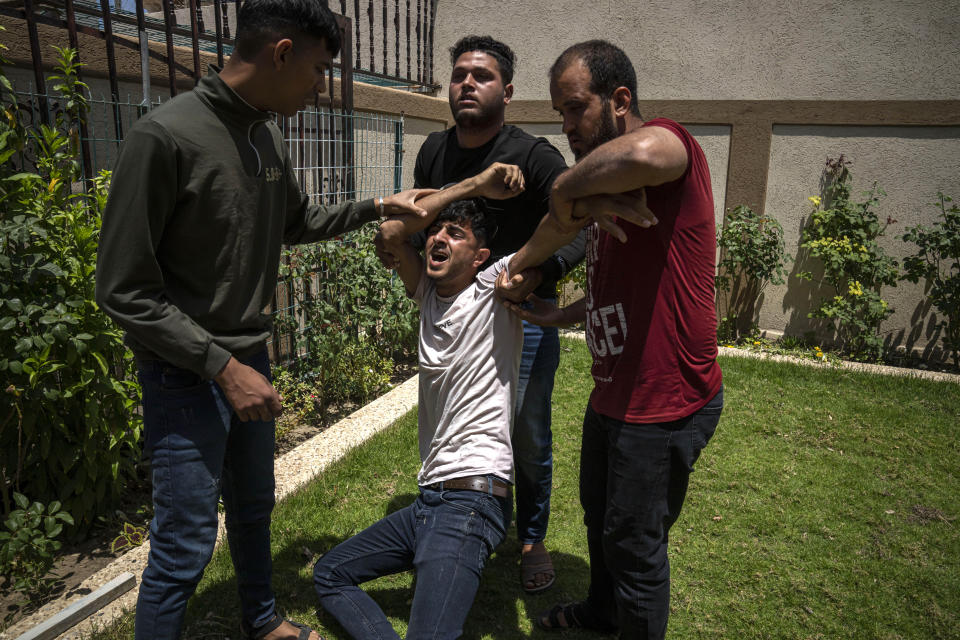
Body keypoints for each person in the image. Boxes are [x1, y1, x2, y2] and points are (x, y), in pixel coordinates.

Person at [94, 2, 431, 638]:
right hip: (186, 374)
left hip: (249, 359)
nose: (321, 87)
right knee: (184, 546)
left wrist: (380, 203)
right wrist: (222, 368)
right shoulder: (164, 137)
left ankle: (262, 619)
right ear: (281, 53)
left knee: (253, 509)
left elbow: (297, 223)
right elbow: (122, 289)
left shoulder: (265, 134)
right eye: (319, 70)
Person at [497, 40, 724, 639]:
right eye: (561, 114)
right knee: (602, 522)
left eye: (576, 109)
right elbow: (597, 275)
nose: (567, 126)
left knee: (636, 549)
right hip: (613, 397)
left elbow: (650, 150)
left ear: (620, 100)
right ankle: (601, 617)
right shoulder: (597, 195)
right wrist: (553, 309)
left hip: (664, 402)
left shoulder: (674, 148)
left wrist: (566, 188)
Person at [381, 34, 584, 594]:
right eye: (460, 74)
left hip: (515, 322)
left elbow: (579, 224)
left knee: (526, 431)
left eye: (482, 76)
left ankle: (530, 537)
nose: (467, 83)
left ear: (508, 91)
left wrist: (541, 275)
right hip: (452, 317)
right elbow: (409, 224)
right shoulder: (435, 153)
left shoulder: (534, 155)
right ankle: (460, 521)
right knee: (452, 424)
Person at [314, 163, 528, 639]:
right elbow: (392, 230)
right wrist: (471, 185)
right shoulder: (428, 293)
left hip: (472, 500)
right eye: (435, 231)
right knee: (329, 574)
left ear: (481, 257)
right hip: (427, 502)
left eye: (456, 234)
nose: (438, 239)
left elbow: (553, 236)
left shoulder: (493, 287)